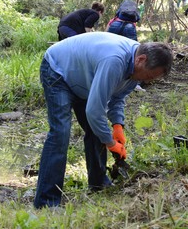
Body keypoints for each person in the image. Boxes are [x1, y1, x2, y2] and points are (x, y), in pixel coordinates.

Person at [34, 32, 173, 209]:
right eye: (150, 77)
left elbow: (117, 97)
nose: (149, 81)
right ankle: (46, 202)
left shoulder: (136, 65)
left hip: (85, 78)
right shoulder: (115, 60)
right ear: (141, 60)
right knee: (60, 133)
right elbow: (94, 111)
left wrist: (117, 125)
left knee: (95, 130)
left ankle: (98, 184)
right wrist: (110, 142)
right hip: (59, 71)